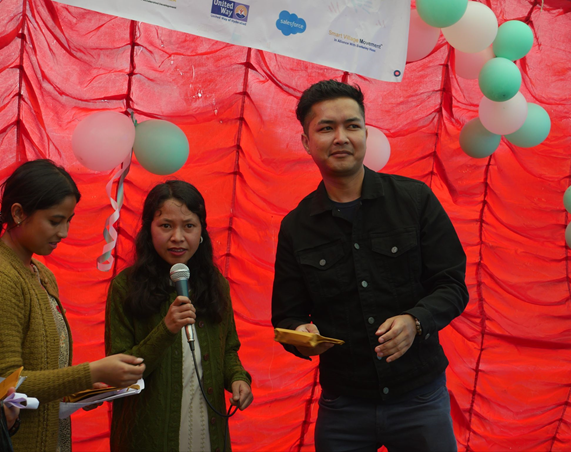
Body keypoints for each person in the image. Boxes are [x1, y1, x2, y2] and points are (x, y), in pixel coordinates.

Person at [271, 80, 469, 452]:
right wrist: (301, 336)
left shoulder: (414, 200)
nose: (341, 138)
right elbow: (286, 316)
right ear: (306, 142)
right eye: (326, 128)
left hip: (420, 398)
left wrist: (415, 321)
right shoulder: (296, 227)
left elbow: (452, 286)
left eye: (352, 125)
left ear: (366, 132)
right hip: (343, 406)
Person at [0, 159, 146, 452]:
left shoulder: (43, 275)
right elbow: (9, 385)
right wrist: (92, 372)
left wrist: (82, 389)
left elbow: (45, 370)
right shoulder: (4, 278)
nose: (64, 232)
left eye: (69, 220)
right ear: (18, 213)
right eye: (55, 221)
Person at [105, 180, 253, 452]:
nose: (178, 237)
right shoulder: (125, 287)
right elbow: (120, 373)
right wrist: (166, 329)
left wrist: (238, 379)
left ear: (202, 231)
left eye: (189, 226)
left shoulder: (215, 284)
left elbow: (228, 349)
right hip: (148, 436)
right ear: (148, 229)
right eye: (166, 226)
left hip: (207, 432)